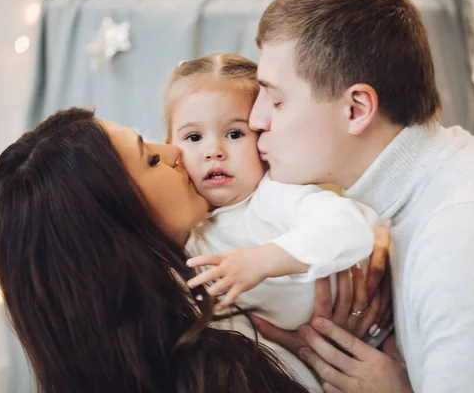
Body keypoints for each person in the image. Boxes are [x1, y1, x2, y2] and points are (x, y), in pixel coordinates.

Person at [248, 0, 474, 392]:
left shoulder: (468, 228)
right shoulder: (426, 196)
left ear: (356, 109)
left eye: (277, 99)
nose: (256, 119)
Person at [0, 107, 389, 393]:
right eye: (151, 158)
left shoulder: (199, 295)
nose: (177, 153)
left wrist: (318, 347)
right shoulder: (202, 366)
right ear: (113, 220)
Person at [164, 53, 388, 338]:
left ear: (263, 134)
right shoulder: (188, 232)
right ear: (171, 148)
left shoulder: (276, 195)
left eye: (234, 134)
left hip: (374, 330)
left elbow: (352, 229)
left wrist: (263, 260)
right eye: (194, 138)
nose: (214, 151)